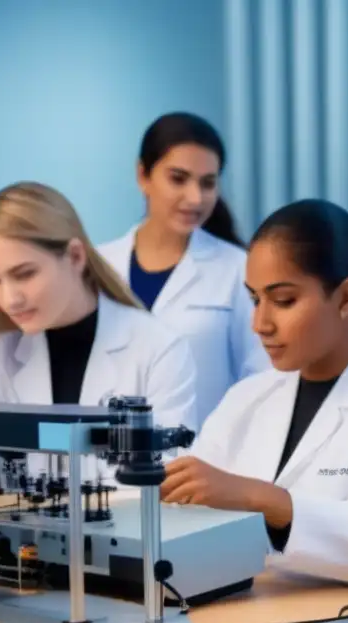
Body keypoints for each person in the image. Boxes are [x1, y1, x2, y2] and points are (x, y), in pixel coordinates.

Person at [160, 199, 348, 585]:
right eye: (254, 299)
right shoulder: (247, 398)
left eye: (283, 301)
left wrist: (257, 498)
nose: (260, 323)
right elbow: (191, 507)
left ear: (347, 298)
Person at [0, 182, 197, 480]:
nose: (10, 299)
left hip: (126, 525)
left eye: (24, 274)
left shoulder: (157, 347)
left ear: (75, 256)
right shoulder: (1, 350)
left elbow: (164, 478)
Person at [99, 113, 268, 426]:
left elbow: (261, 380)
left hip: (204, 460)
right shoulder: (99, 267)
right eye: (178, 178)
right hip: (109, 461)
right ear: (142, 175)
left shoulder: (239, 269)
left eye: (208, 183)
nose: (195, 198)